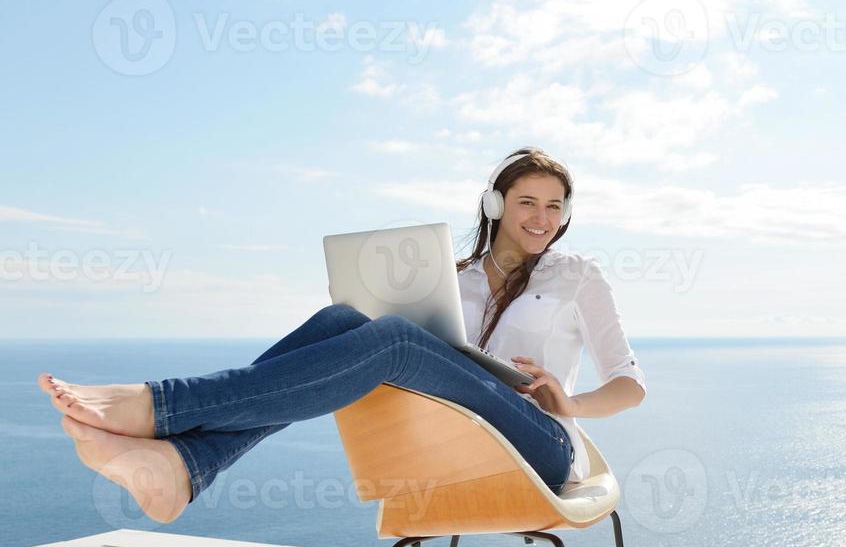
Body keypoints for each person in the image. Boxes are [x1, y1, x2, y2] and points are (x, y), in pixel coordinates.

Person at [36, 147, 647, 524]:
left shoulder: (579, 277)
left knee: (396, 341)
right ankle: (186, 463)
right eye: (528, 202)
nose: (543, 219)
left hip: (539, 444)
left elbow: (631, 386)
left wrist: (572, 403)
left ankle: (164, 409)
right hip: (457, 432)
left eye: (555, 207)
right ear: (494, 205)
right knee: (342, 322)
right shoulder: (452, 279)